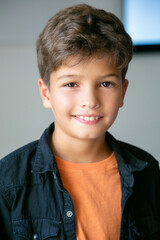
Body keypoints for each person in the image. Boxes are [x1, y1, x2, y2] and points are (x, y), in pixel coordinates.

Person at [0, 4, 159, 240]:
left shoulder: (147, 170)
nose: (90, 101)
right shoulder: (9, 181)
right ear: (46, 93)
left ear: (123, 92)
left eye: (105, 84)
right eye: (71, 84)